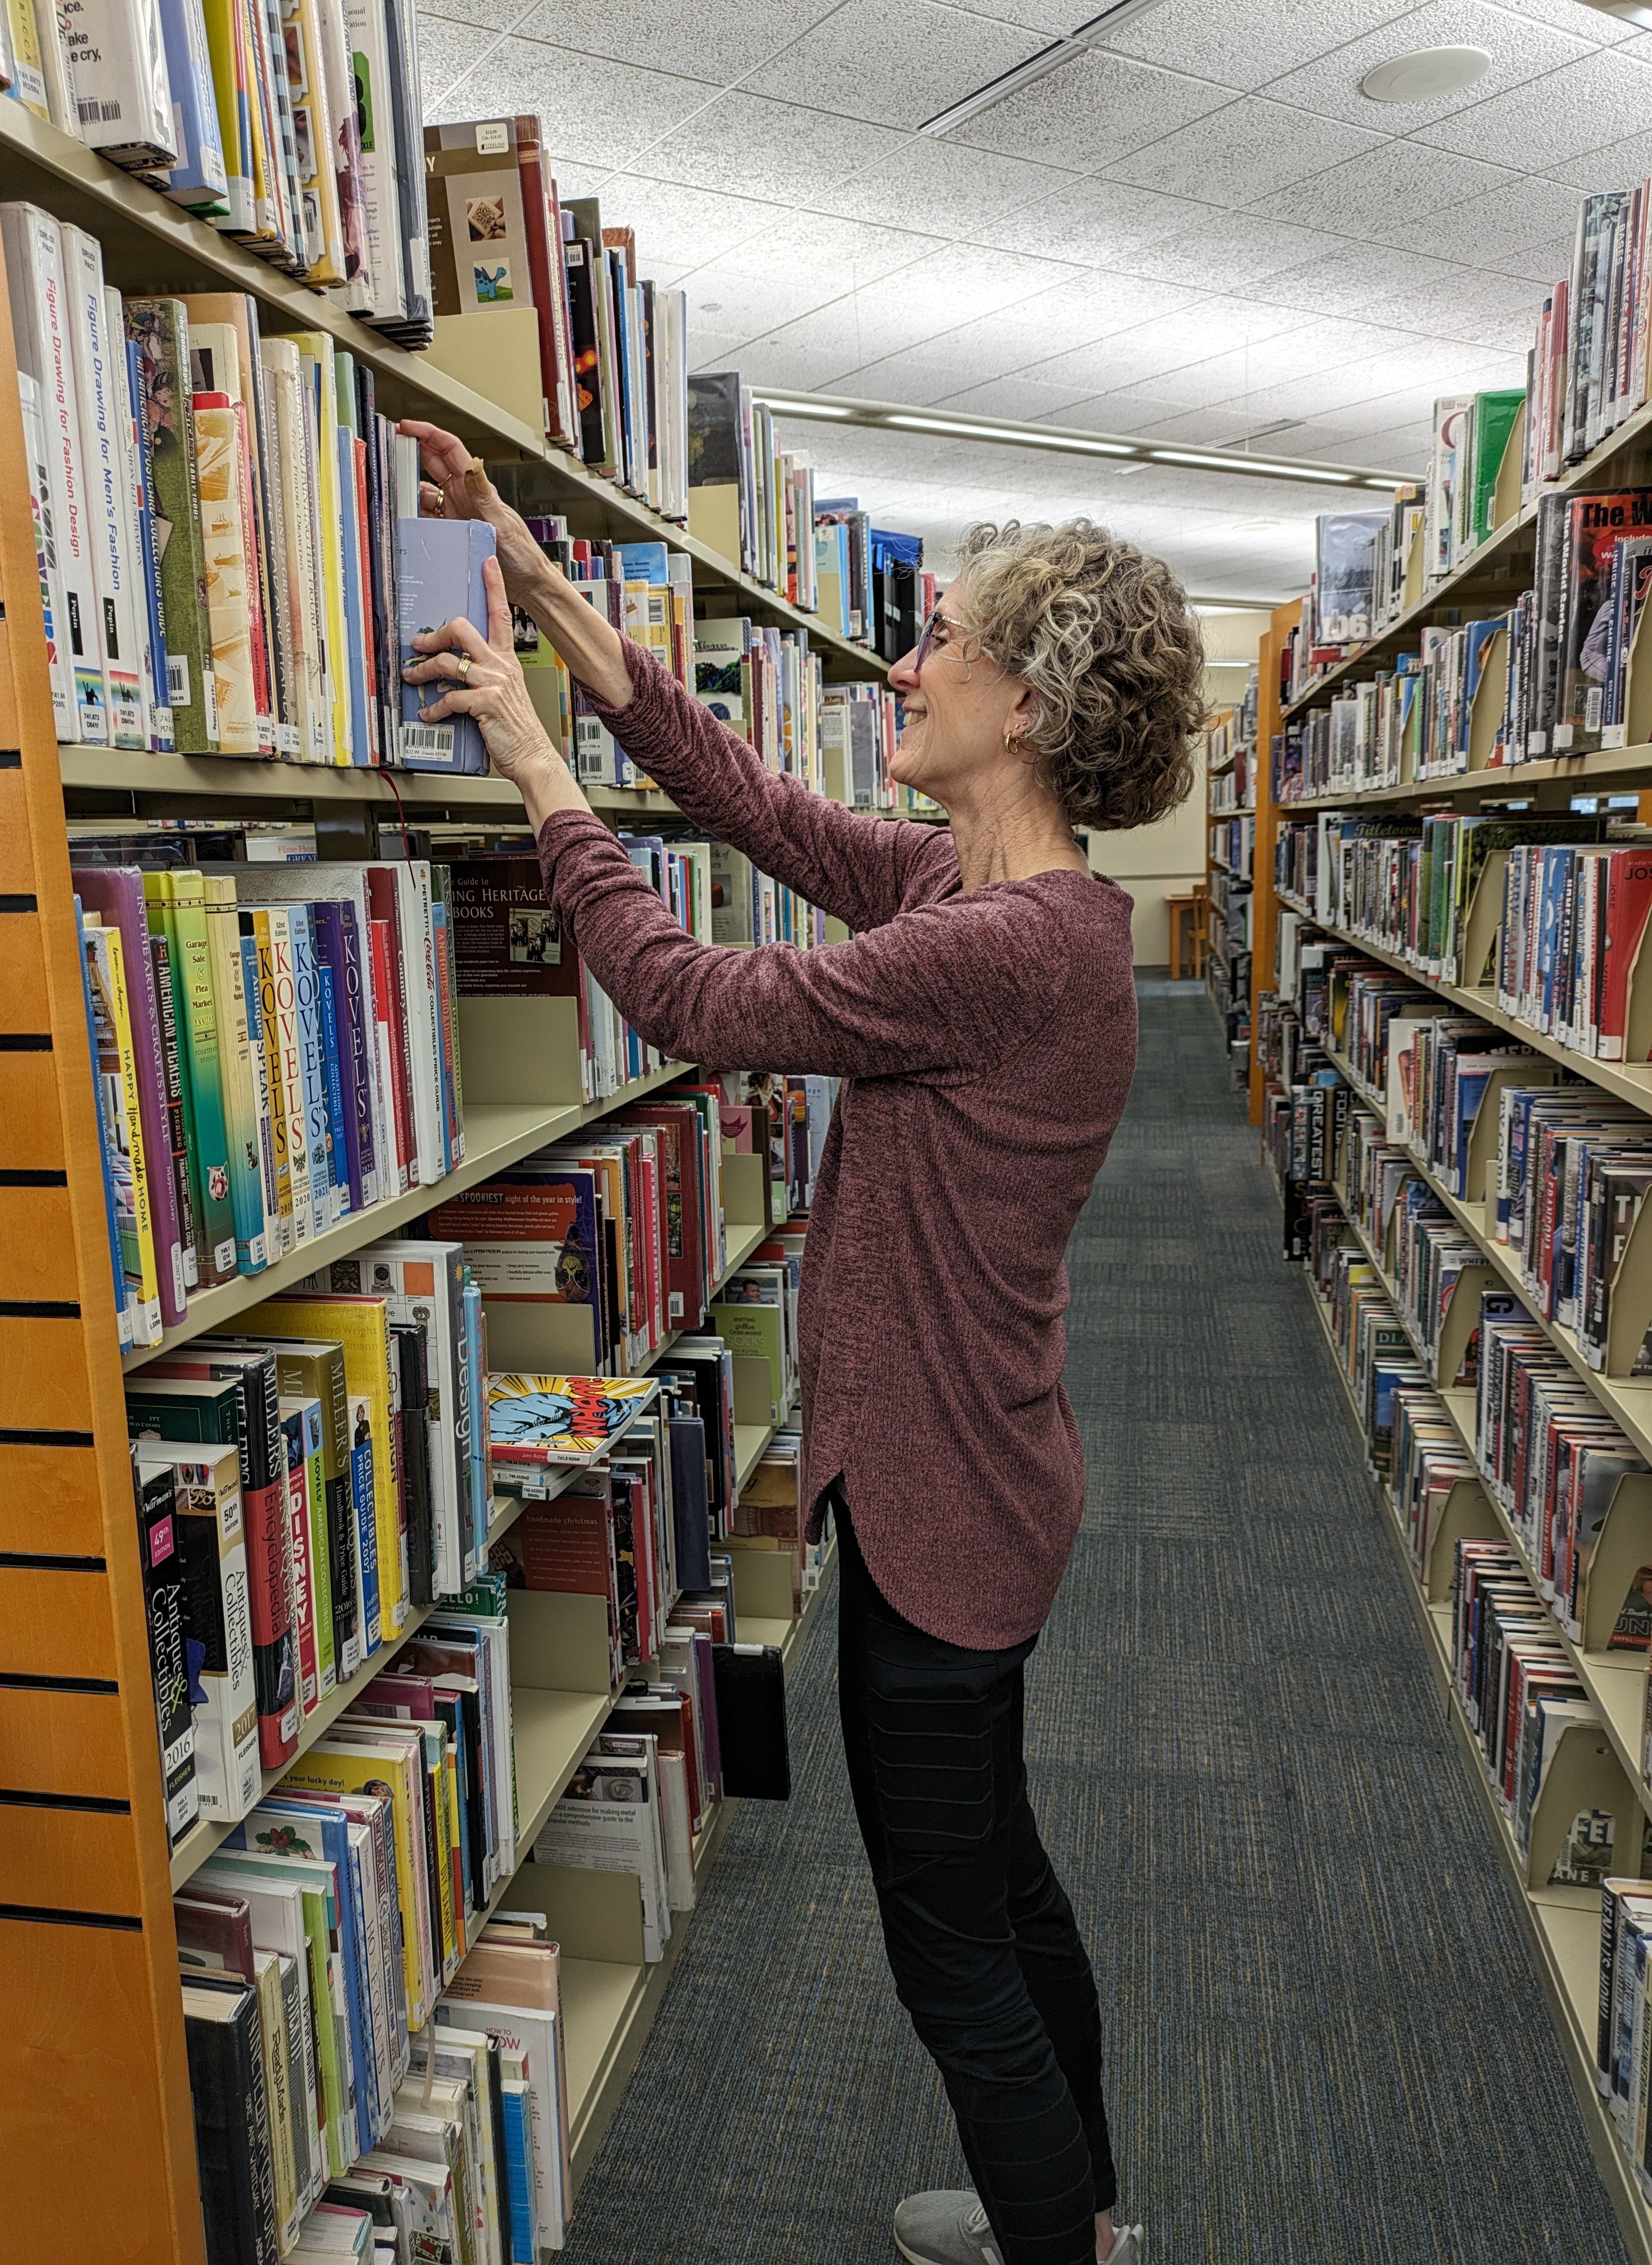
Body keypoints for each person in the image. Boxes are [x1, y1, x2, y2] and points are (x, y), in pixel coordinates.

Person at [397, 420, 1207, 2265]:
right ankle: (1078, 2221)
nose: (902, 672)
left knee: (950, 1951)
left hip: (947, 1511)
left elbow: (689, 992)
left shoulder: (1003, 946)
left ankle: (1050, 2244)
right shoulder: (985, 900)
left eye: (945, 651)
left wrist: (531, 761)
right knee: (1000, 1879)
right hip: (980, 1479)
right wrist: (539, 589)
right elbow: (758, 803)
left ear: (1031, 707)